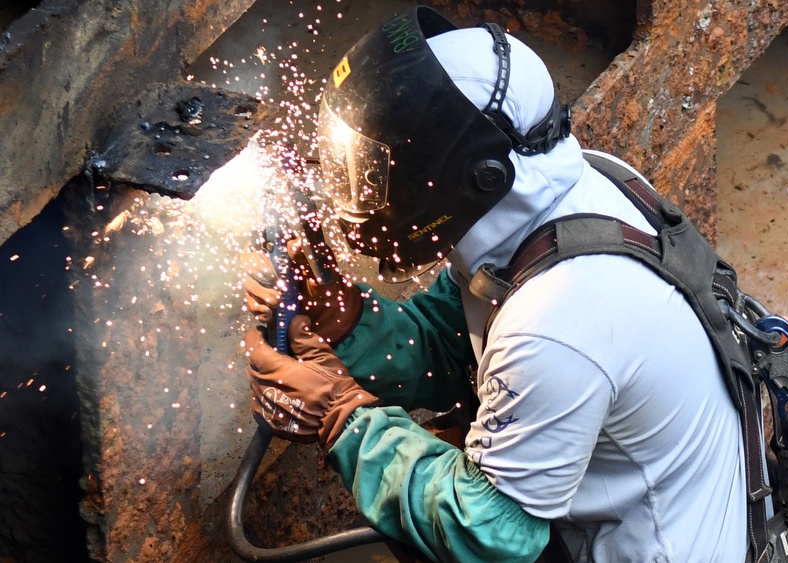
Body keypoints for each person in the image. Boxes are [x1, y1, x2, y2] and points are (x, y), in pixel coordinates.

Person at [243, 6, 748, 562]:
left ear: (469, 174)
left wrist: (344, 418)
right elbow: (450, 344)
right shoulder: (557, 197)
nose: (358, 197)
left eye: (374, 174)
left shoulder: (559, 321)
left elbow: (489, 536)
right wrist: (353, 325)